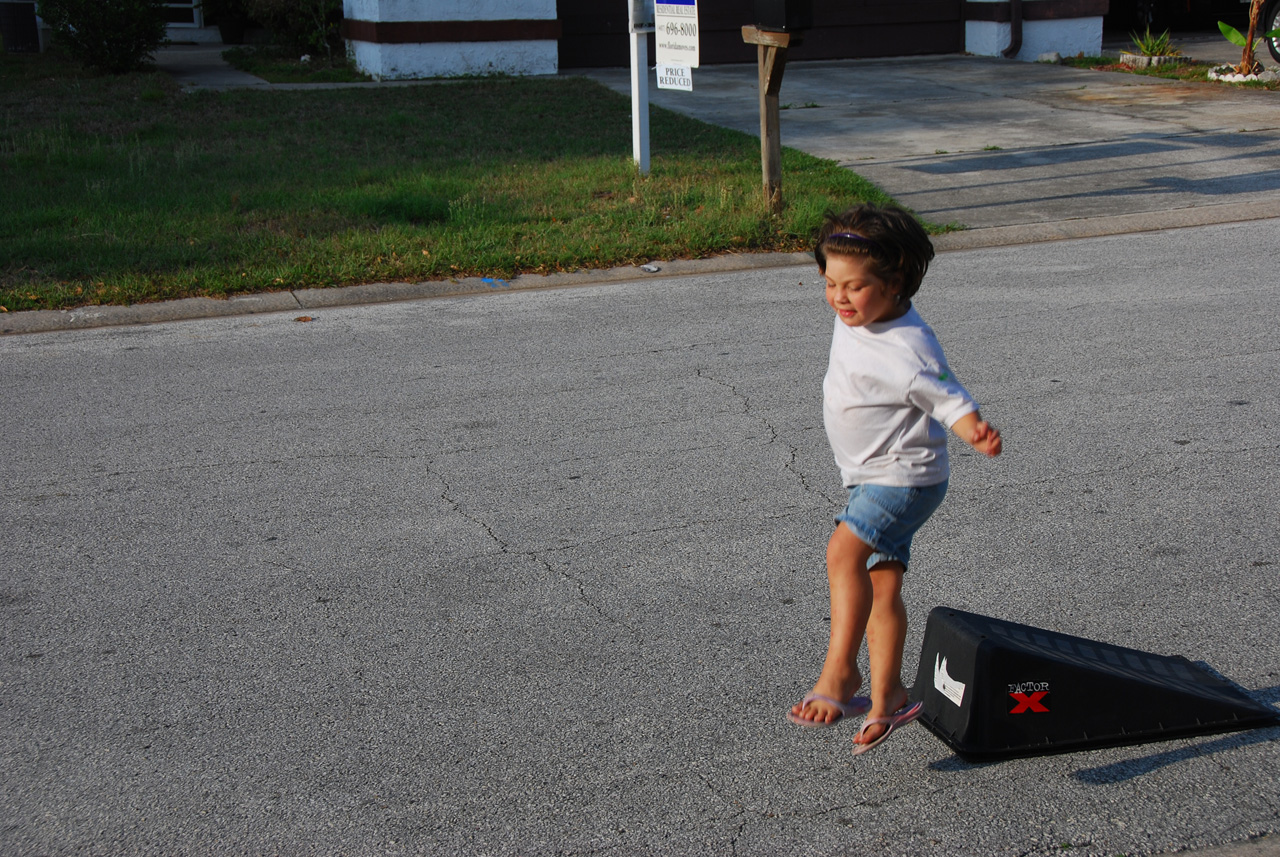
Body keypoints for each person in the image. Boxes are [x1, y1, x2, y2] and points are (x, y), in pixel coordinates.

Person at [787, 204, 1003, 755]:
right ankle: (889, 696)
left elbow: (947, 392)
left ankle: (841, 673)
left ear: (896, 282)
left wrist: (972, 428)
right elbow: (844, 275)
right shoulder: (855, 312)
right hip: (867, 477)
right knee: (882, 584)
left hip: (904, 478)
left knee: (842, 554)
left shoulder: (911, 344)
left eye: (854, 288)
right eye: (830, 282)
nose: (839, 298)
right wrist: (845, 270)